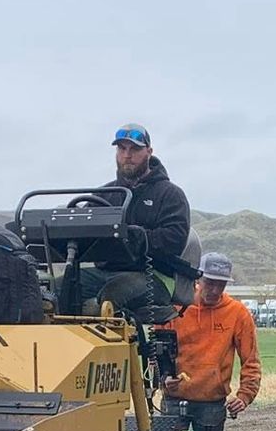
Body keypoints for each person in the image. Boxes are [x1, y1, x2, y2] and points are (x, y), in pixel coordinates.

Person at [161, 251, 261, 431]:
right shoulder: (175, 309)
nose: (215, 289)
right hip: (175, 405)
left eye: (221, 283)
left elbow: (250, 359)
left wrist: (244, 395)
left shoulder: (237, 313)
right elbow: (156, 353)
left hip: (211, 408)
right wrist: (163, 379)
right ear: (198, 279)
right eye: (210, 282)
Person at [81, 122, 193, 313]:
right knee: (57, 287)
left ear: (149, 151)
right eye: (122, 148)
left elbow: (174, 239)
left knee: (114, 292)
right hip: (105, 272)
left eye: (134, 149)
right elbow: (83, 229)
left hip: (154, 276)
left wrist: (137, 238)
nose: (127, 155)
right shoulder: (102, 195)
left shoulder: (170, 195)